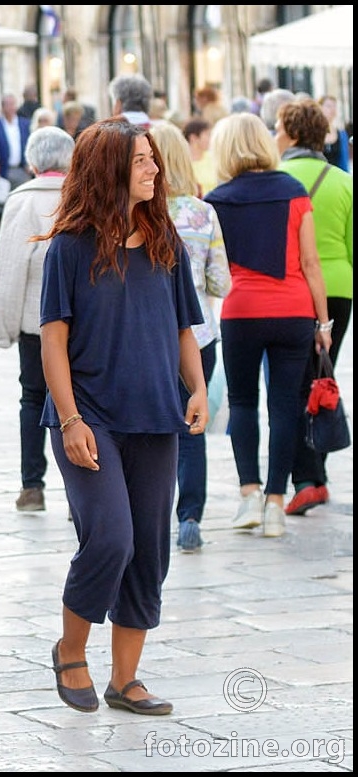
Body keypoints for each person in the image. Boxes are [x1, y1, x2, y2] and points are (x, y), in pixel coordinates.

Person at [39, 117, 207, 716]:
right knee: (110, 538)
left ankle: (125, 679)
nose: (153, 170)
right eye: (141, 161)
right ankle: (71, 649)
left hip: (157, 418)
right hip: (91, 421)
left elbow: (184, 326)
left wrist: (199, 388)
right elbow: (52, 341)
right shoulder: (70, 248)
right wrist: (70, 420)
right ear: (110, 168)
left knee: (150, 550)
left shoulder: (165, 241)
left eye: (152, 160)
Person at [204, 112, 330, 539]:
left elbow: (215, 270)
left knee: (242, 403)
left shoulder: (218, 199)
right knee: (284, 405)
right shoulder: (294, 192)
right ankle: (277, 502)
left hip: (241, 309)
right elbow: (311, 263)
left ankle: (248, 496)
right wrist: (324, 321)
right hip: (293, 310)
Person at [150, 121, 231, 552]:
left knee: (152, 429)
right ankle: (190, 515)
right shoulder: (203, 214)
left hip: (148, 339)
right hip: (199, 336)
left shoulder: (137, 215)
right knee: (191, 426)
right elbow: (222, 283)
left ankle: (150, 511)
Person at [0, 126, 74, 513]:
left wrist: (2, 327)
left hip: (34, 322)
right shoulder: (81, 197)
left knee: (32, 398)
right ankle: (80, 489)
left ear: (32, 162)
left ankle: (32, 485)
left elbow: (9, 270)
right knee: (81, 403)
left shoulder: (21, 202)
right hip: (81, 323)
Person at [275, 98, 353, 515]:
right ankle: (313, 470)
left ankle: (308, 478)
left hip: (295, 288)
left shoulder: (278, 177)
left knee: (296, 383)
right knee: (322, 376)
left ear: (289, 132)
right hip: (338, 287)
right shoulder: (342, 181)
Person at [0, 94, 31, 187]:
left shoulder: (25, 124)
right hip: (2, 172)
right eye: (8, 104)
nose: (11, 107)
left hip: (21, 170)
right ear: (2, 107)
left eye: (13, 104)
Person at [181, 119, 218, 196]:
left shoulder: (213, 158)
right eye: (207, 135)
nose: (210, 138)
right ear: (193, 138)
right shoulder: (182, 162)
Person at [318, 96, 351, 173]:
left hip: (336, 177)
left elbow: (344, 162)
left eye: (334, 106)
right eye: (328, 106)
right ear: (320, 108)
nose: (332, 109)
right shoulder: (313, 133)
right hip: (318, 177)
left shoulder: (341, 134)